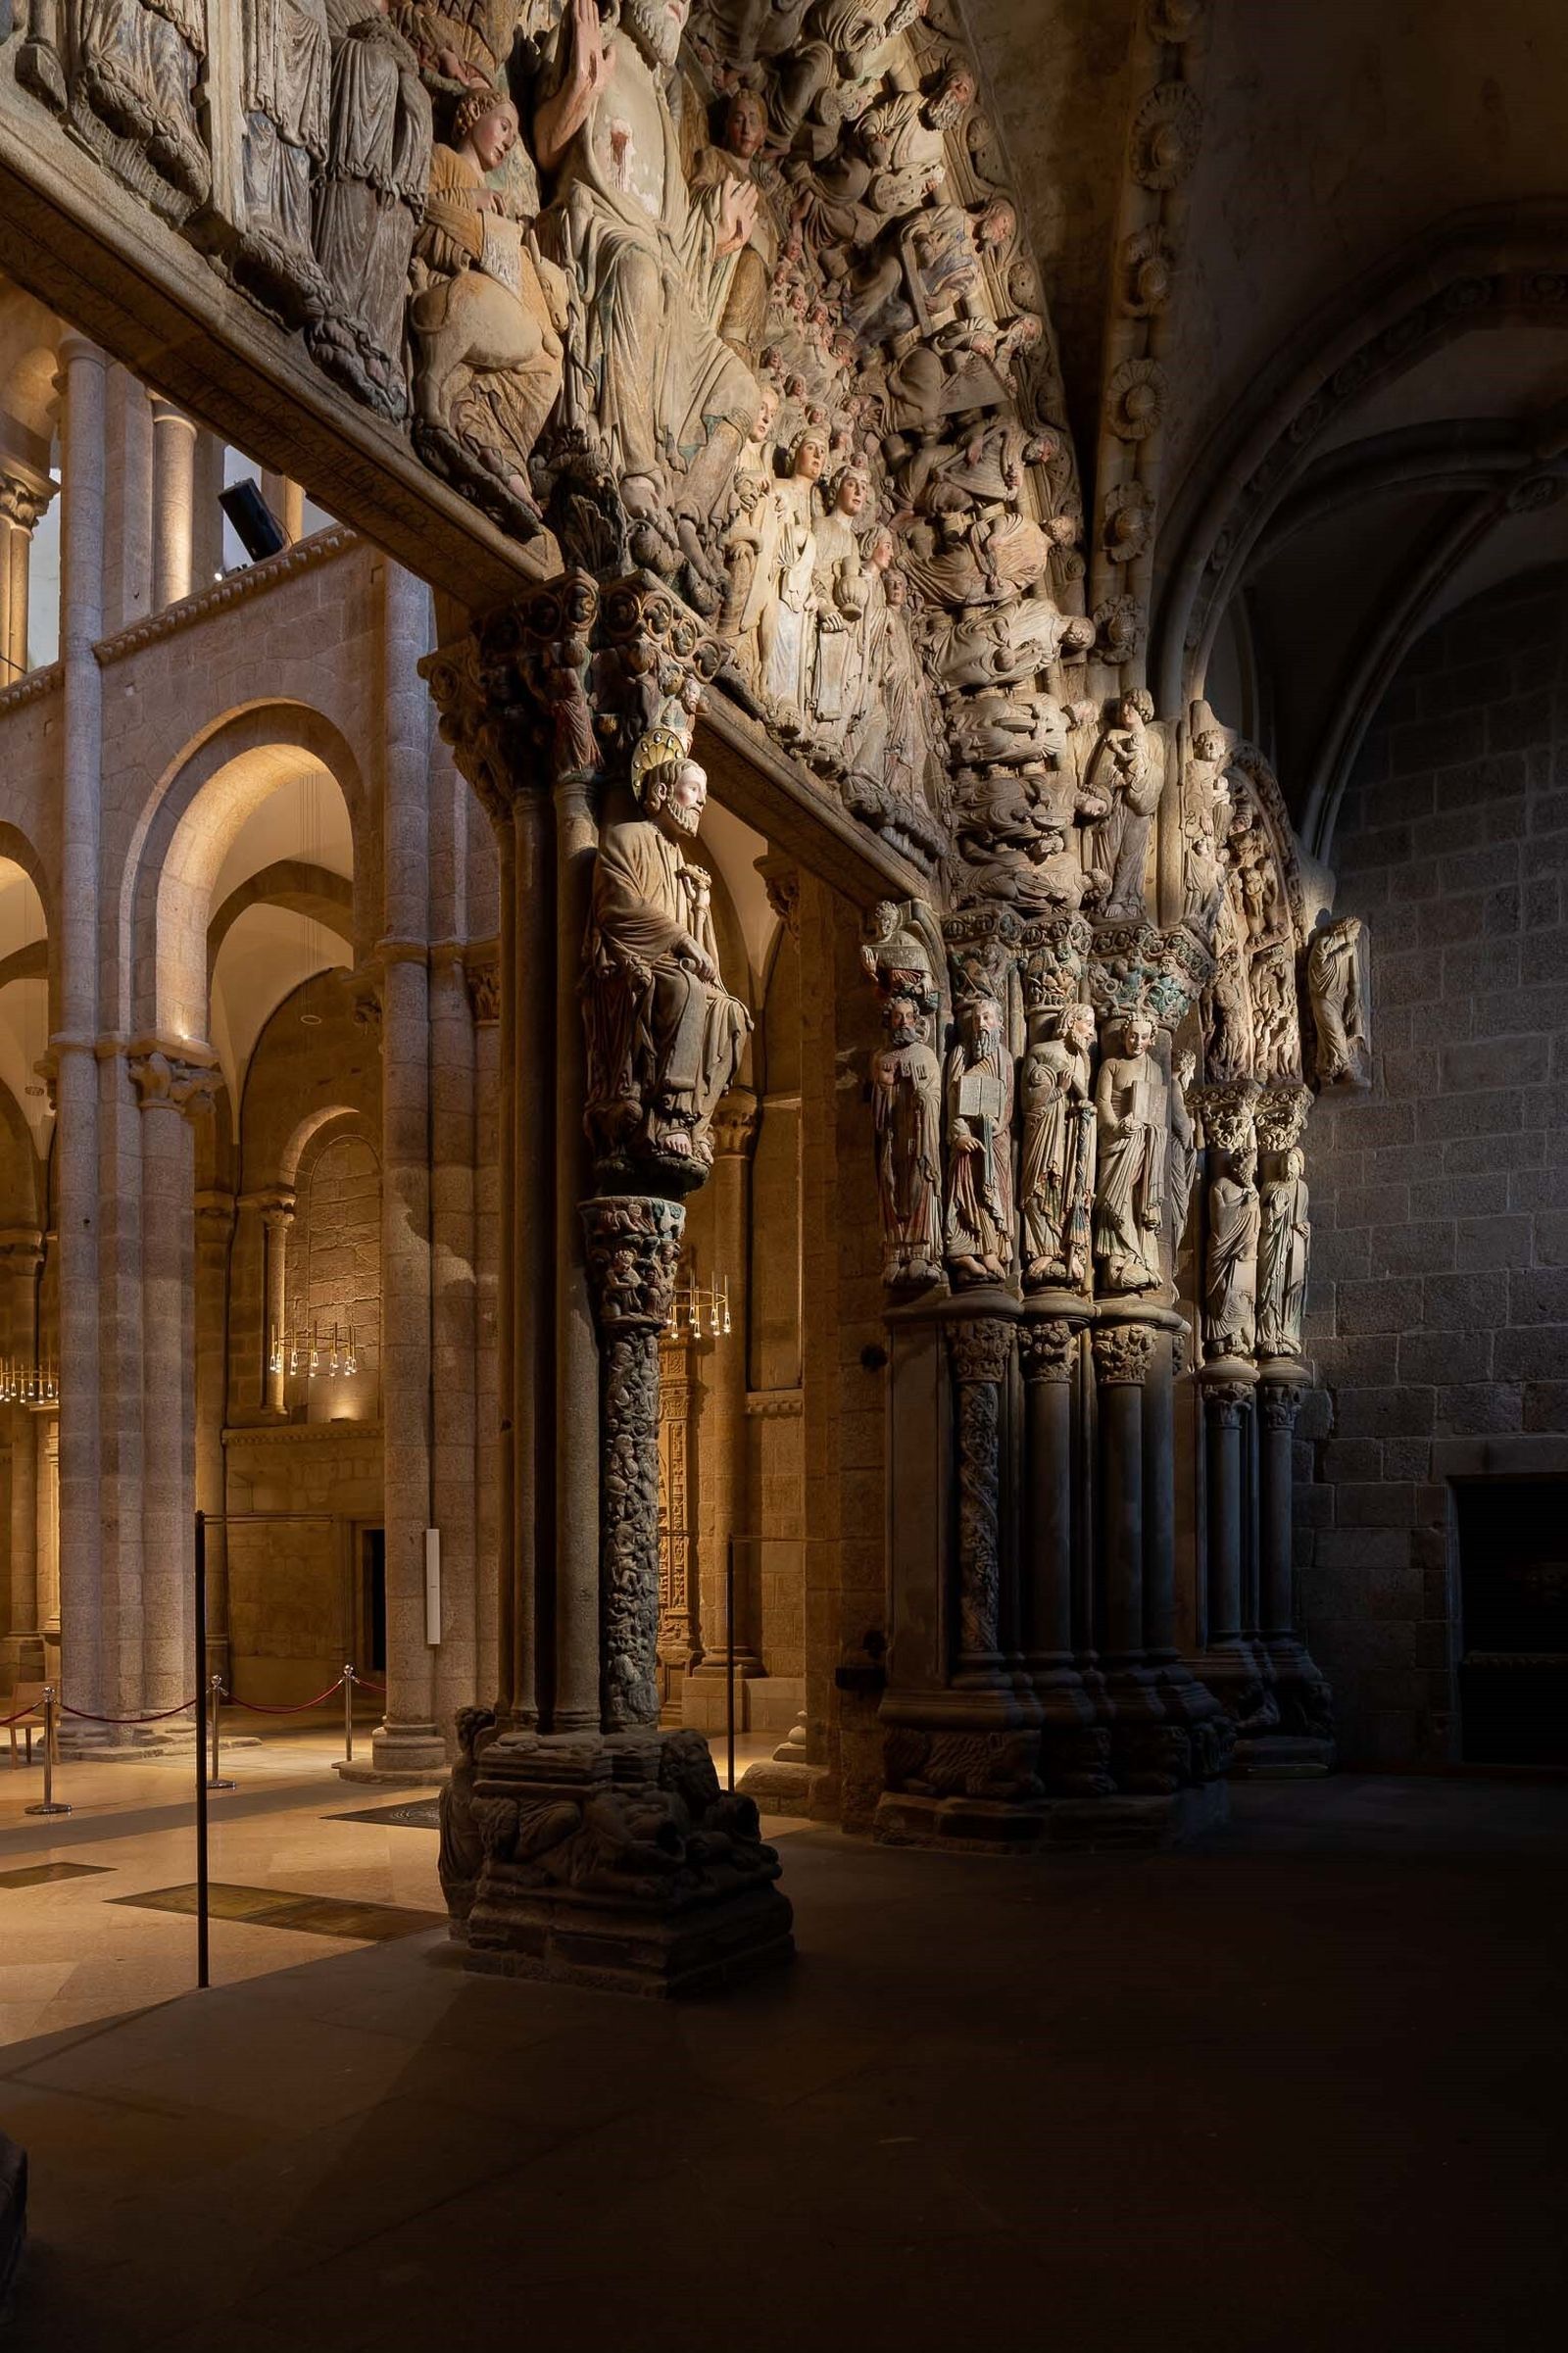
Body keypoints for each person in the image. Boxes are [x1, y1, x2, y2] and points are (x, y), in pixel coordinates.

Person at [583, 730, 753, 1175]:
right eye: (694, 790)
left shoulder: (684, 867)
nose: (700, 803)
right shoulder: (627, 837)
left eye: (703, 795)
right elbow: (615, 905)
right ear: (660, 792)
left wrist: (699, 908)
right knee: (686, 990)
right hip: (636, 959)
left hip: (673, 965)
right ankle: (669, 1115)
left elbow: (705, 955)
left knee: (731, 1012)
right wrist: (680, 937)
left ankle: (694, 1120)